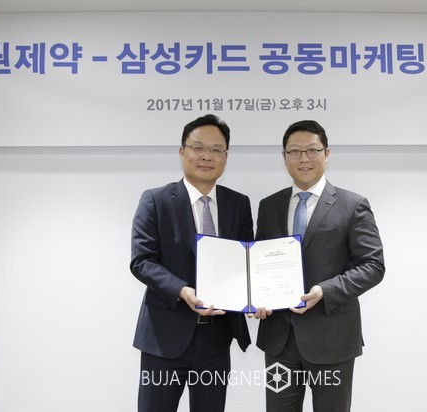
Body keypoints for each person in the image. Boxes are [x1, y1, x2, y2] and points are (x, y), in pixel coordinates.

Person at [253, 120, 385, 412]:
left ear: (327, 153)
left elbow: (373, 265)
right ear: (284, 156)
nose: (304, 158)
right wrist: (256, 298)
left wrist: (325, 291)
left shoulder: (352, 204)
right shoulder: (269, 205)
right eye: (295, 151)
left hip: (332, 339)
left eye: (312, 150)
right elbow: (261, 262)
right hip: (279, 339)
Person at [130, 114, 253, 412]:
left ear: (226, 156)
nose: (207, 156)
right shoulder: (156, 200)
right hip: (164, 336)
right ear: (182, 151)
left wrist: (255, 295)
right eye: (198, 147)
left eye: (216, 149)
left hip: (217, 336)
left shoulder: (238, 203)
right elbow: (142, 261)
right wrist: (184, 291)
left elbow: (247, 261)